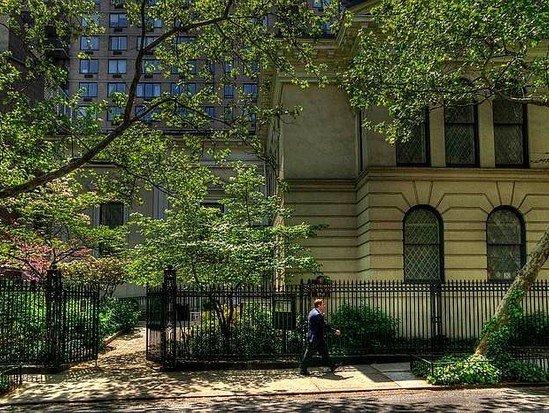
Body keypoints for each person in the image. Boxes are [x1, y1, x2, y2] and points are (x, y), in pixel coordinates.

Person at [299, 298, 341, 375]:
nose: (324, 306)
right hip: (315, 338)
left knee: (324, 352)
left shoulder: (313, 312)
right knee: (308, 354)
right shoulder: (317, 315)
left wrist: (321, 316)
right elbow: (324, 326)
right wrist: (335, 331)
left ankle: (332, 366)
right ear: (319, 305)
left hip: (317, 338)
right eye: (323, 304)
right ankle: (302, 369)